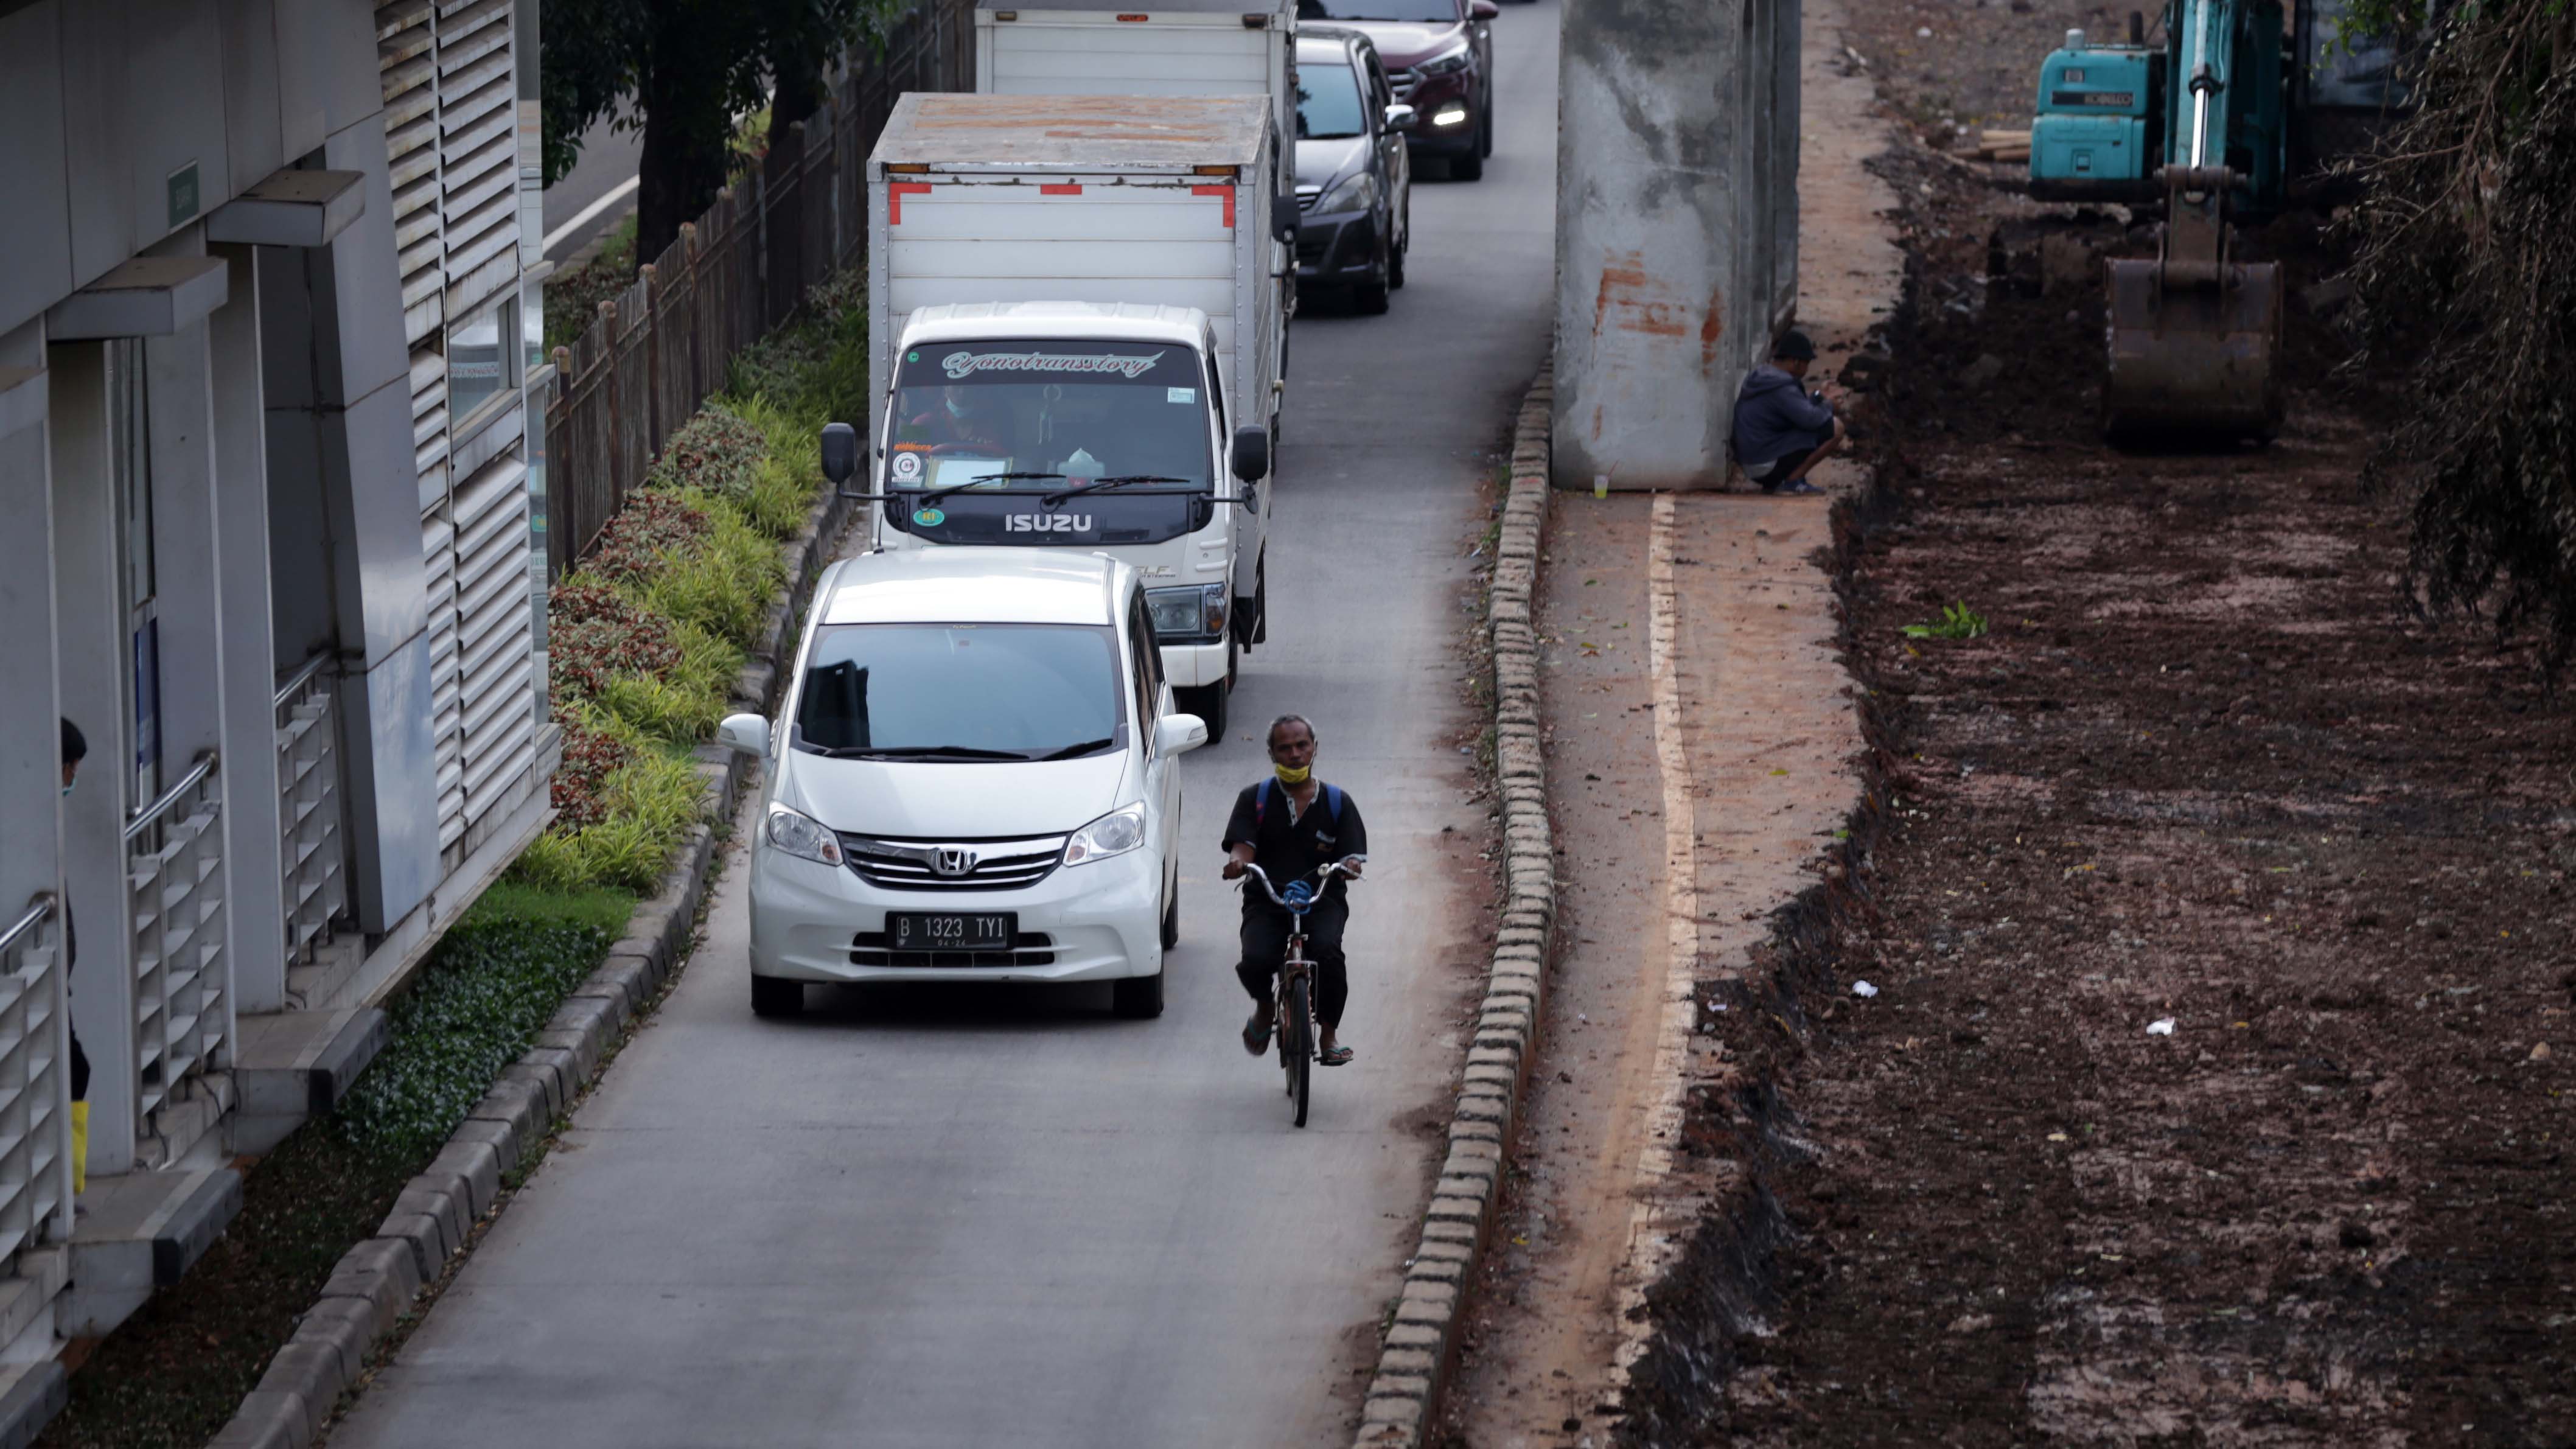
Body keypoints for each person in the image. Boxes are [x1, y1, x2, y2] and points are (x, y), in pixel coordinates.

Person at [1222, 714, 1368, 1066]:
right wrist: (1238, 862)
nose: (1295, 754)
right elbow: (1242, 846)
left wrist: (1349, 866)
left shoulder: (1337, 802)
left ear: (1315, 749)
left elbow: (1351, 855)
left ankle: (1329, 1036)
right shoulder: (1253, 799)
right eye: (1285, 748)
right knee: (1256, 959)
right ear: (1272, 754)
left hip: (1320, 899)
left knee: (1329, 954)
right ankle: (1265, 1006)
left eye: (1302, 745)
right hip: (1268, 899)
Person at [1731, 330, 1846, 495]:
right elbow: (1811, 420)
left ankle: (1786, 480)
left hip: (1753, 462)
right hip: (1765, 465)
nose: (1807, 368)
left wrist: (1819, 396)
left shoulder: (1765, 376)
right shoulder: (1782, 387)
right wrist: (1829, 406)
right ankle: (1792, 481)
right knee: (1836, 427)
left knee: (1818, 423)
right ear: (1796, 362)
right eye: (1807, 363)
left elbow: (1797, 411)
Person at [59, 719, 88, 1200]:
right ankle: (66, 1188)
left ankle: (68, 1186)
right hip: (41, 987)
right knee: (71, 1070)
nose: (71, 778)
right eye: (70, 768)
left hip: (51, 984)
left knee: (74, 1069)